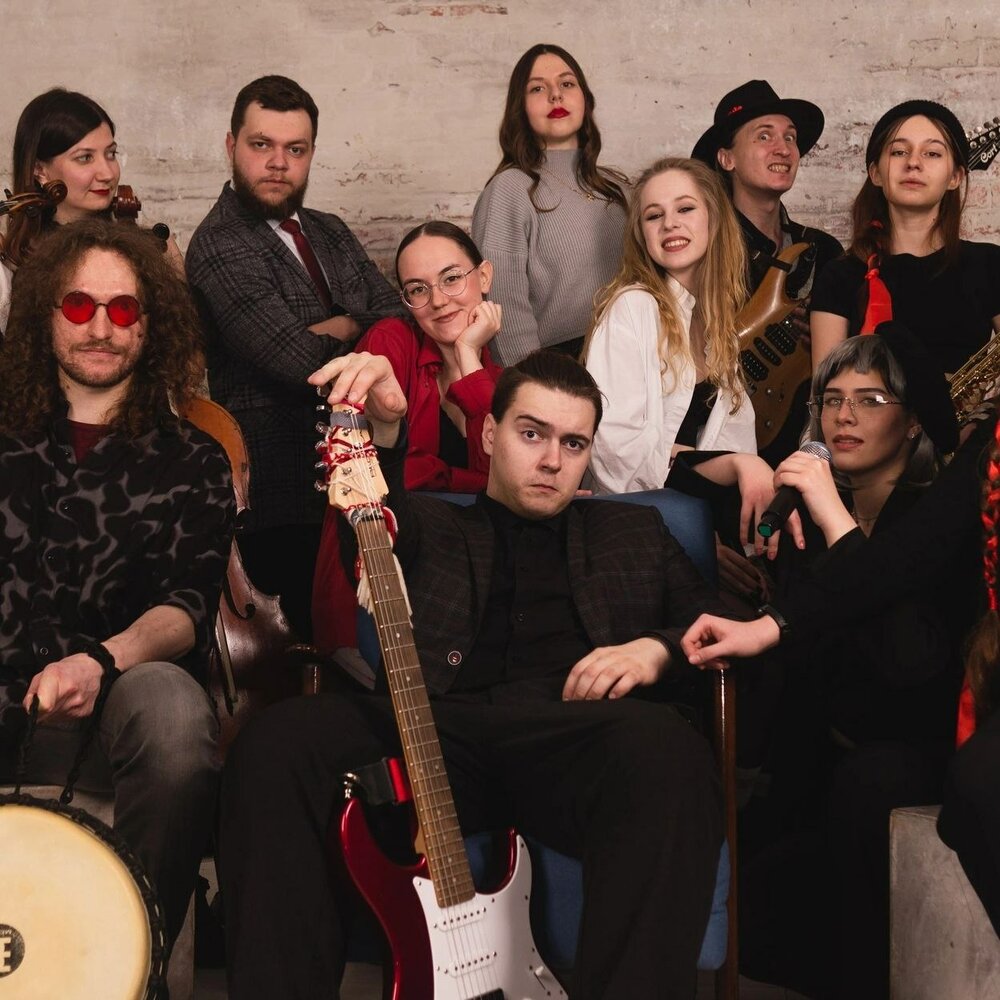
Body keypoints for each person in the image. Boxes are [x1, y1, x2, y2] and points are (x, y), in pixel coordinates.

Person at [220, 349, 729, 1000]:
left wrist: (653, 650)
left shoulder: (634, 531)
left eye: (573, 443)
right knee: (279, 741)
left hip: (575, 742)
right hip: (435, 734)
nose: (552, 459)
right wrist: (385, 429)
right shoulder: (431, 521)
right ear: (489, 434)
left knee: (668, 749)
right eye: (532, 433)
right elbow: (370, 524)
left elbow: (720, 622)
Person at [680, 327, 984, 999]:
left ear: (912, 424)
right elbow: (669, 474)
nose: (844, 416)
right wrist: (746, 468)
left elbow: (913, 668)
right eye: (832, 400)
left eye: (870, 400)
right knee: (744, 912)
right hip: (820, 763)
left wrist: (834, 523)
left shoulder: (937, 523)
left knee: (865, 786)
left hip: (920, 748)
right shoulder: (804, 519)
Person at [0, 218, 235, 949]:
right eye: (79, 306)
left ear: (149, 324)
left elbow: (187, 608)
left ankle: (134, 961)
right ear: (46, 315)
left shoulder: (194, 459)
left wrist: (99, 662)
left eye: (123, 309)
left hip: (109, 716)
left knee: (173, 709)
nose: (100, 328)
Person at [186, 75, 404, 640]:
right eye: (261, 145)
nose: (278, 163)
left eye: (296, 149)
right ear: (231, 145)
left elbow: (400, 321)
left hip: (367, 479)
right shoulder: (218, 243)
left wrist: (345, 324)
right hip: (282, 495)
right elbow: (297, 358)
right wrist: (359, 326)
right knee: (308, 654)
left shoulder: (330, 230)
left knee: (374, 646)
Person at [582, 156, 756, 496]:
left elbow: (737, 442)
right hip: (637, 511)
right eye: (654, 215)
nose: (669, 224)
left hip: (697, 506)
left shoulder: (718, 326)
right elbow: (613, 449)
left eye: (685, 209)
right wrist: (712, 468)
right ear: (642, 234)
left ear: (714, 218)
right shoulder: (632, 306)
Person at [692, 79, 843, 466]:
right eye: (764, 136)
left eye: (790, 137)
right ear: (727, 159)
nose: (783, 148)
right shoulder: (699, 248)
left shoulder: (824, 251)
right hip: (712, 435)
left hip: (806, 441)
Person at [810, 99, 1000, 378]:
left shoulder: (990, 264)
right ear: (876, 173)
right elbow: (824, 393)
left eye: (932, 153)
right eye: (899, 152)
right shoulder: (839, 276)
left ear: (955, 177)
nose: (913, 163)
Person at [471, 43, 627, 363]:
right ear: (520, 108)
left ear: (585, 99)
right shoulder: (508, 190)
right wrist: (534, 383)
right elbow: (505, 310)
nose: (556, 95)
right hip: (560, 366)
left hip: (636, 352)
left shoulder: (621, 188)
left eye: (567, 83)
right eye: (538, 88)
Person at [0, 88, 183, 332]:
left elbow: (185, 344)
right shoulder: (14, 263)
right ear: (40, 170)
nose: (107, 173)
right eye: (85, 158)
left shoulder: (158, 247)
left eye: (111, 154)